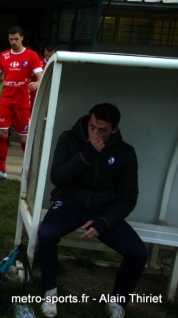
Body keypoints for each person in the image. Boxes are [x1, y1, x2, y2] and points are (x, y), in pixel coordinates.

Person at [39, 103, 147, 318]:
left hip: (102, 211)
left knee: (138, 252)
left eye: (102, 130)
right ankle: (50, 292)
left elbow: (128, 197)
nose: (95, 133)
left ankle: (117, 302)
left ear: (114, 129)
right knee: (47, 234)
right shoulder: (70, 138)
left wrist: (104, 222)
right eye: (92, 127)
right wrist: (86, 154)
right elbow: (58, 178)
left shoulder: (125, 153)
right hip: (69, 203)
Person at [0, 26, 43, 180]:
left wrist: (37, 83)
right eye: (11, 39)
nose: (13, 42)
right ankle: (2, 170)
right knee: (3, 133)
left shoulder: (31, 55)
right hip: (6, 101)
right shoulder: (4, 55)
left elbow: (40, 75)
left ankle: (29, 170)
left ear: (22, 38)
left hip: (22, 102)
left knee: (23, 138)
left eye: (16, 39)